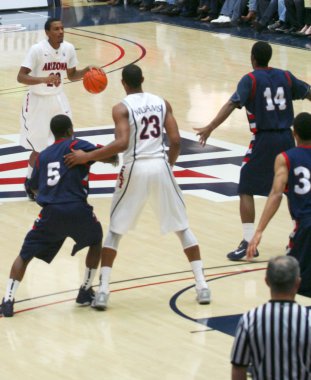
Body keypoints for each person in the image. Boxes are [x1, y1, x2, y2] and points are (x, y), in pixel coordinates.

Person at [64, 64, 211, 310]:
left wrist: (87, 157)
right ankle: (202, 285)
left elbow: (121, 144)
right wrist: (167, 167)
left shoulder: (121, 108)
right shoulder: (162, 102)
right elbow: (175, 141)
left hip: (135, 167)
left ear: (123, 83)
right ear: (143, 79)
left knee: (115, 230)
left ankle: (103, 291)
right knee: (182, 227)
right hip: (160, 165)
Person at [195, 41, 311, 261]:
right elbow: (308, 92)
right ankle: (302, 235)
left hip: (264, 139)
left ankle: (249, 241)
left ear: (253, 58)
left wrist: (210, 127)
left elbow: (231, 104)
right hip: (287, 137)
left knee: (246, 185)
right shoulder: (285, 77)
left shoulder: (250, 80)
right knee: (293, 188)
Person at [0, 114, 117, 318]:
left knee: (24, 255)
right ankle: (85, 290)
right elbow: (111, 157)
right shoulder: (77, 145)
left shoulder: (43, 156)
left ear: (53, 134)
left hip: (50, 212)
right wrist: (90, 157)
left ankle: (7, 301)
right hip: (77, 209)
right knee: (96, 239)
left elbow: (33, 187)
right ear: (71, 130)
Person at [18, 17, 96, 201]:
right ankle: (30, 182)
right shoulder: (37, 50)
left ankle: (68, 182)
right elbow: (21, 77)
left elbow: (71, 75)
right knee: (39, 149)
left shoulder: (68, 48)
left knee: (68, 143)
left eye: (62, 28)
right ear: (47, 32)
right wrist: (43, 79)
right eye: (56, 29)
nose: (60, 32)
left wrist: (86, 71)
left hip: (59, 99)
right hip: (37, 101)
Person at [247, 112, 311, 297]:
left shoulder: (285, 158)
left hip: (305, 226)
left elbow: (276, 194)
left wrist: (259, 230)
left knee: (288, 280)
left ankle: (289, 322)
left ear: (294, 134)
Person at [230, 255, 311, 380]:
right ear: (298, 282)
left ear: (267, 281)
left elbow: (238, 367)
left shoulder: (250, 319)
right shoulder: (308, 319)